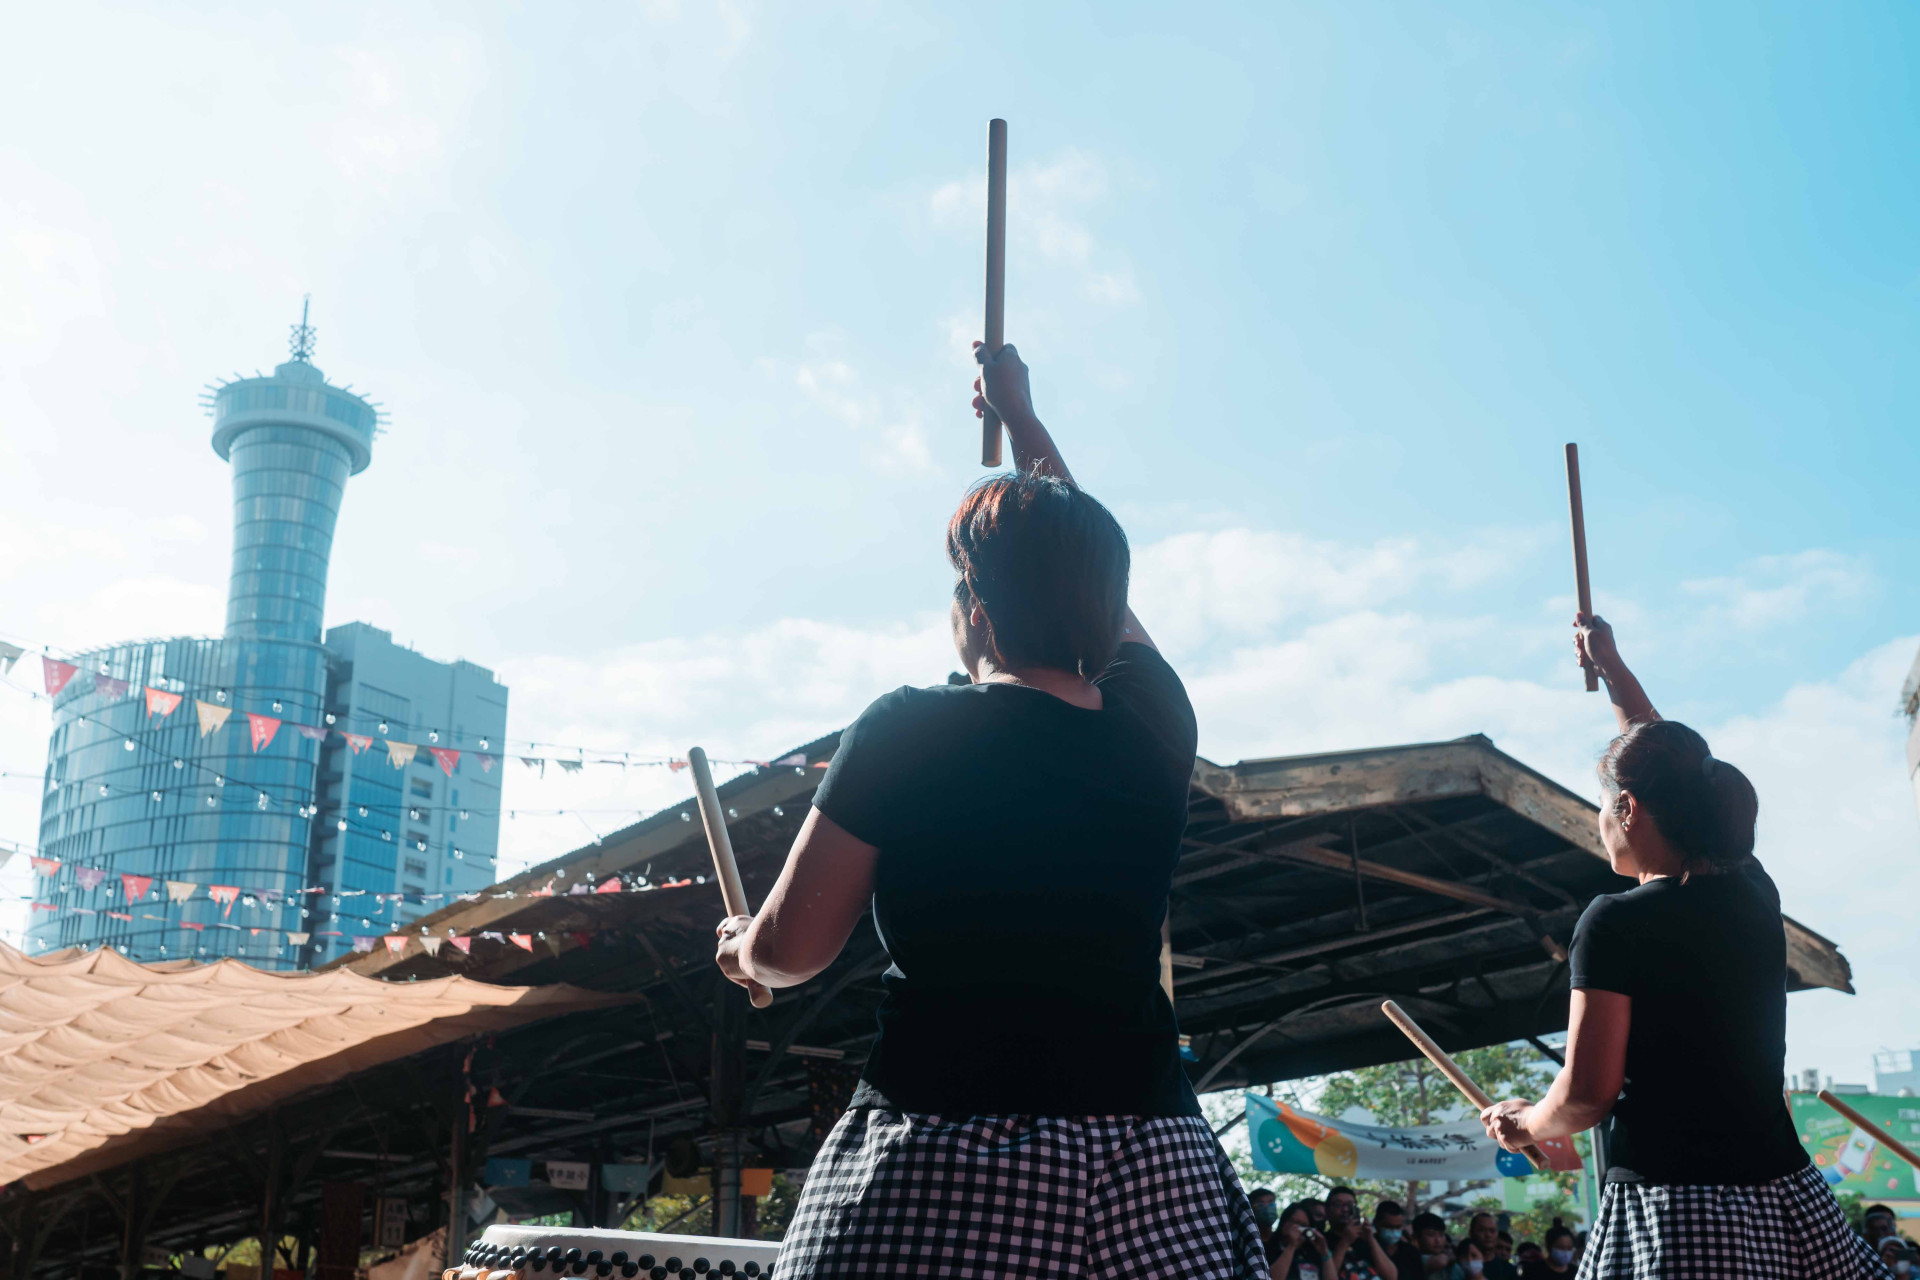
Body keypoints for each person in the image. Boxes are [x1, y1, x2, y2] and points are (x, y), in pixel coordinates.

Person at [713, 343, 1266, 1278]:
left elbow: (793, 949)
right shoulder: (1157, 723)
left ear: (974, 608)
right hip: (1154, 1166)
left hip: (946, 1149)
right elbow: (1084, 567)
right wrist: (1023, 422)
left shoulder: (909, 729)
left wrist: (741, 950)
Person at [1477, 614, 1893, 1280]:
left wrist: (1523, 1124)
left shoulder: (1614, 921)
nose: (1601, 820)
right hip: (1788, 1199)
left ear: (1629, 809)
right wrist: (1613, 669)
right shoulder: (1753, 891)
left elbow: (1587, 1096)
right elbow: (1674, 769)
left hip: (1675, 1211)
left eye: (1605, 804)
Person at [1323, 1185, 1397, 1279]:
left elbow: (1392, 1276)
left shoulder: (1368, 1241)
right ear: (1327, 1210)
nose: (1345, 1209)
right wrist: (1344, 1242)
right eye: (1338, 1204)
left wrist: (1371, 1239)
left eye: (1350, 1205)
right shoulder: (1321, 1242)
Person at [1272, 1200, 1335, 1280]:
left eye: (1303, 1225)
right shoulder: (1267, 1248)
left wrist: (1325, 1252)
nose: (1299, 1228)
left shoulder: (1311, 1253)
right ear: (1284, 1222)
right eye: (1295, 1222)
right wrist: (1291, 1246)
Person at [1374, 1200, 1424, 1280]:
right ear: (1376, 1224)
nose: (1394, 1231)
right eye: (1388, 1227)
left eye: (1397, 1227)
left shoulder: (1411, 1252)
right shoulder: (1365, 1248)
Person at [1466, 1213, 1518, 1280]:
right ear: (1471, 1233)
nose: (1488, 1235)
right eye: (1482, 1230)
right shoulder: (1462, 1266)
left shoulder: (1509, 1270)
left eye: (1492, 1231)